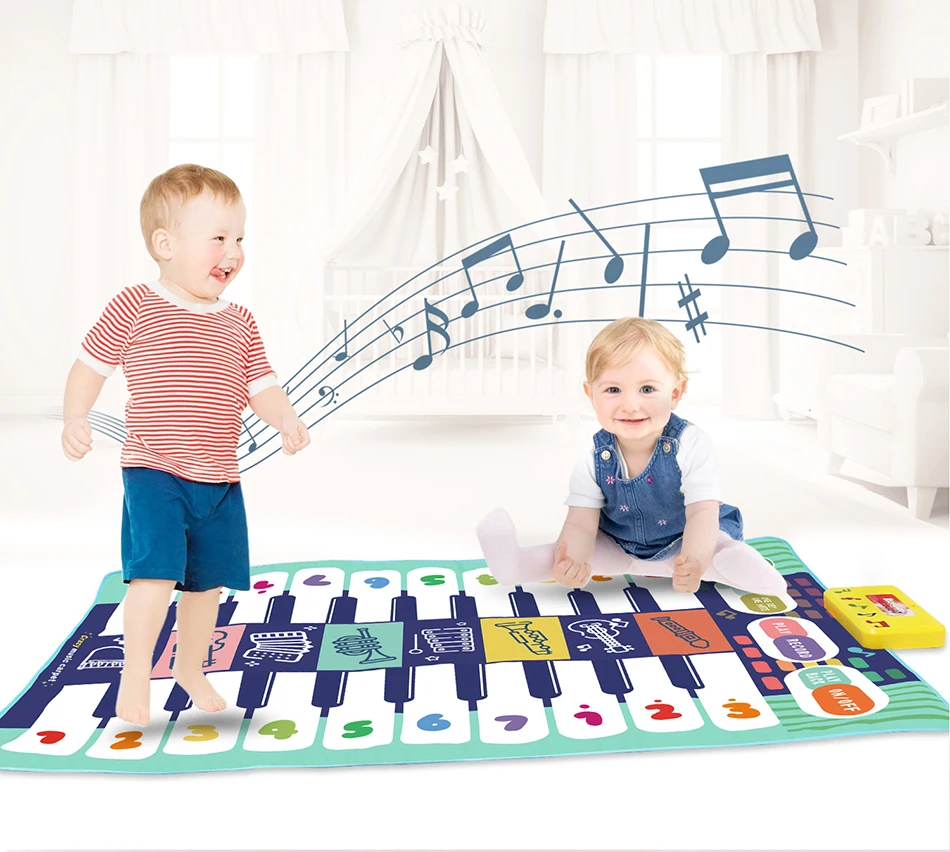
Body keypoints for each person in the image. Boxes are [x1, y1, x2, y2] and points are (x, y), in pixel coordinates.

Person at [60, 164, 310, 726]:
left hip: (219, 478)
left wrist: (285, 418)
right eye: (219, 237)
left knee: (206, 585)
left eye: (240, 238)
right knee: (154, 575)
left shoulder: (240, 321)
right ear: (166, 244)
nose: (234, 251)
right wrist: (76, 416)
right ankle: (134, 674)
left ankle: (190, 668)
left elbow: (261, 385)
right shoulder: (136, 305)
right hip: (154, 469)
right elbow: (89, 365)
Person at [477, 317, 785, 595]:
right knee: (564, 555)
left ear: (675, 393)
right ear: (591, 395)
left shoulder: (690, 443)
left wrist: (694, 561)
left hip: (685, 541)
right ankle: (514, 565)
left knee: (716, 552)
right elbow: (581, 522)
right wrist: (573, 563)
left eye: (647, 389)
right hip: (620, 546)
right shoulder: (595, 454)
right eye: (613, 390)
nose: (630, 405)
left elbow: (702, 513)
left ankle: (743, 567)